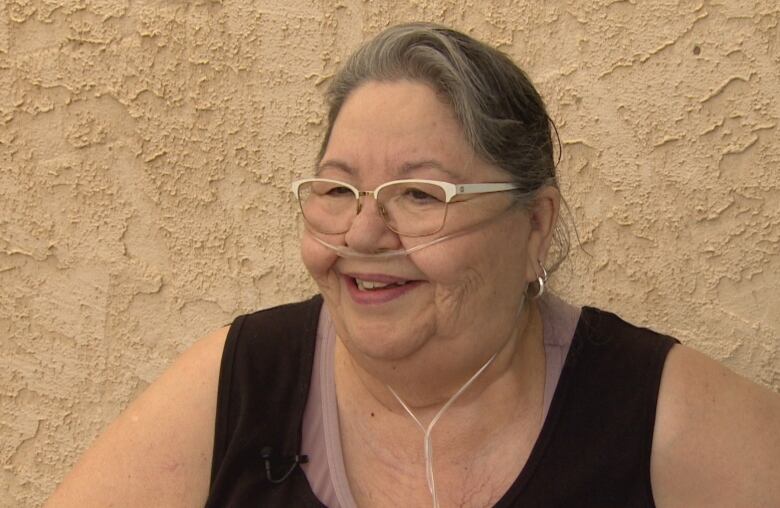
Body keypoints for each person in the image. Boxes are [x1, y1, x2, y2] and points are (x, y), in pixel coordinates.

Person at [45, 23, 779, 508]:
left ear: (534, 227)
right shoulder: (242, 384)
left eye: (420, 195)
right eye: (337, 189)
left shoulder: (652, 411)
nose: (364, 231)